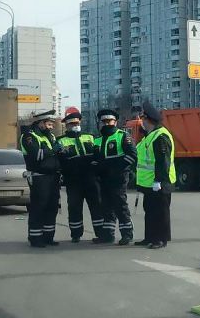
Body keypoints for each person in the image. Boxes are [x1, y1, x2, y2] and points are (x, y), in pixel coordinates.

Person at [56, 108, 104, 243]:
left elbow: (98, 155)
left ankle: (100, 233)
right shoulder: (60, 141)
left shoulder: (90, 137)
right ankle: (76, 234)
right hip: (73, 181)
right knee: (74, 207)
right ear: (67, 126)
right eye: (71, 124)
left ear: (80, 123)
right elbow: (60, 161)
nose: (75, 126)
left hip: (91, 179)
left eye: (76, 123)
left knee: (96, 206)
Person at [134, 101, 175, 249]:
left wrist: (159, 180)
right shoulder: (150, 135)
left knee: (161, 212)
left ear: (148, 120)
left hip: (160, 182)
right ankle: (149, 237)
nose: (142, 122)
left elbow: (162, 161)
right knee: (149, 210)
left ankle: (160, 239)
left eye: (143, 119)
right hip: (149, 183)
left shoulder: (161, 136)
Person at [93, 109, 137, 245]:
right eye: (104, 121)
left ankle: (127, 234)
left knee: (120, 206)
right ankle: (107, 235)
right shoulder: (98, 140)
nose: (107, 124)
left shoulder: (123, 136)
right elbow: (95, 160)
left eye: (109, 121)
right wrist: (96, 170)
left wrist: (117, 169)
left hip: (118, 178)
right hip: (104, 179)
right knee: (106, 207)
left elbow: (132, 156)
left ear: (115, 122)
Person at [20, 110, 61, 248]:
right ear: (40, 123)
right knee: (39, 207)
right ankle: (35, 238)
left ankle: (48, 237)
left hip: (53, 177)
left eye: (51, 125)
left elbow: (54, 156)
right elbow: (36, 155)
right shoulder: (28, 136)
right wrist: (54, 150)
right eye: (48, 124)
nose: (51, 127)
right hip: (39, 177)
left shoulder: (50, 137)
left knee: (52, 207)